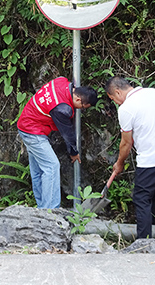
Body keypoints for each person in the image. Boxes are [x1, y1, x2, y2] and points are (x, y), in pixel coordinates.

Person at [105, 76, 155, 239]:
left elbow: (126, 143)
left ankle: (144, 242)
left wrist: (119, 163)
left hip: (150, 159)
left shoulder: (126, 109)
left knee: (141, 198)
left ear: (117, 92)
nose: (116, 103)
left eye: (113, 99)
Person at [17, 77, 98, 209]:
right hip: (32, 131)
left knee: (38, 171)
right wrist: (73, 152)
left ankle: (42, 208)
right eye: (83, 108)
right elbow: (67, 133)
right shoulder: (62, 109)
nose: (81, 110)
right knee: (51, 166)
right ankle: (51, 212)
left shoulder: (61, 81)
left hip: (26, 125)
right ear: (78, 99)